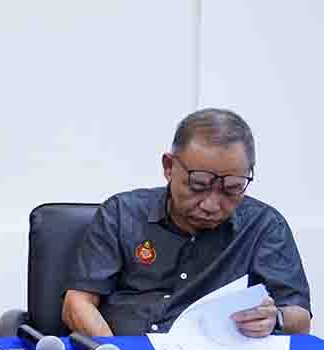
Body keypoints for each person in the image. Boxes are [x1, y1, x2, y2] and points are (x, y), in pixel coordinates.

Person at [63, 108, 311, 337]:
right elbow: (78, 303)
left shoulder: (264, 226)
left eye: (232, 189)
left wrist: (275, 318)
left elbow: (299, 318)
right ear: (169, 167)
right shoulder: (121, 214)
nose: (211, 205)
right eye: (198, 185)